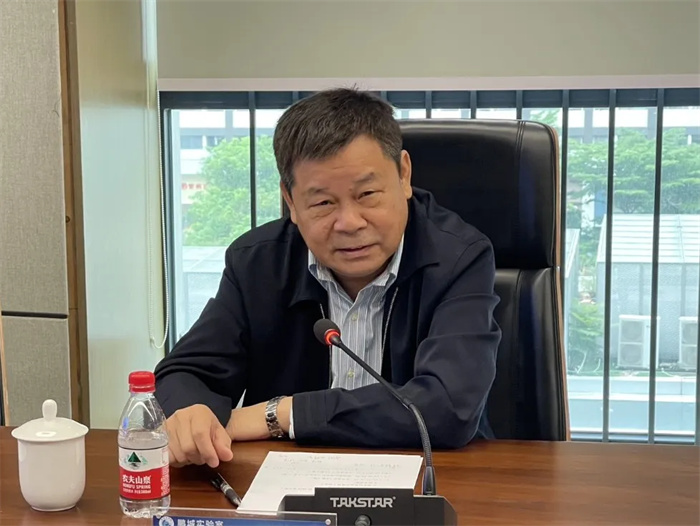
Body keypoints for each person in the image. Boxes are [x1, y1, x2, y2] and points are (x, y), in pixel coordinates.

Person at [154, 88, 502, 469]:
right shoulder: (257, 264)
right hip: (287, 480)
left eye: (367, 194)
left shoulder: (458, 259)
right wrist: (192, 416)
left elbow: (447, 407)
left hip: (433, 475)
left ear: (404, 175)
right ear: (290, 201)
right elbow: (185, 372)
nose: (349, 223)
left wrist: (282, 414)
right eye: (323, 203)